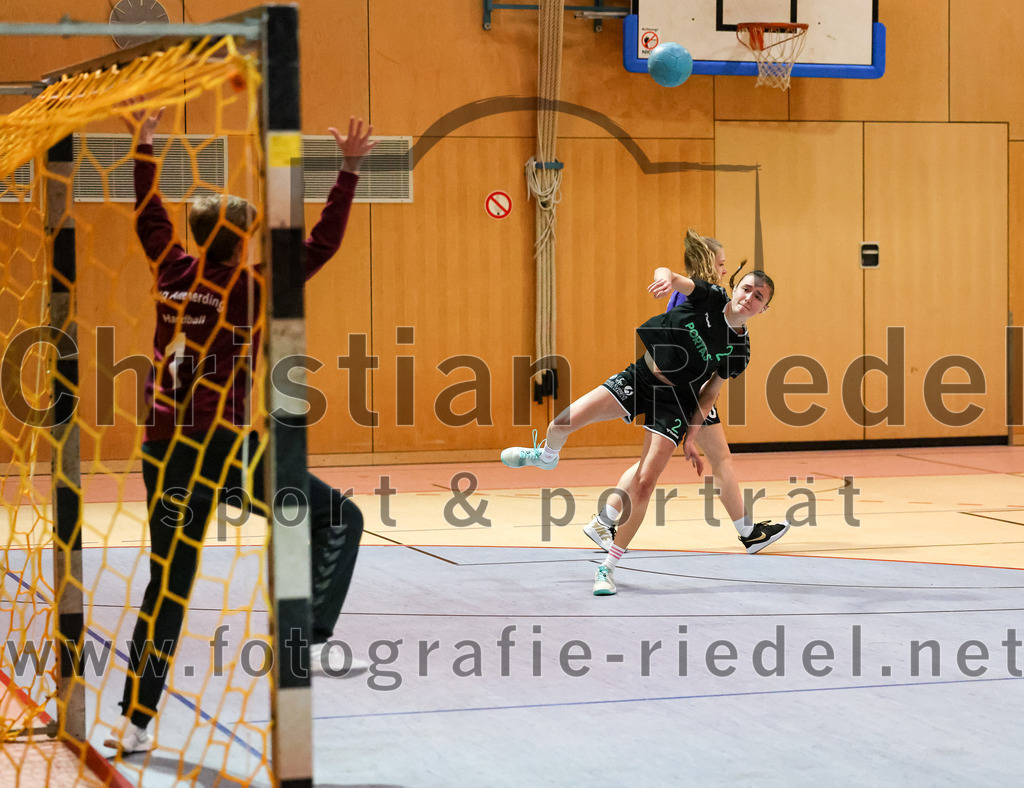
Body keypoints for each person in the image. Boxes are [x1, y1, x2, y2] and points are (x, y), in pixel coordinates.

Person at [104, 105, 376, 753]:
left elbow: (149, 217)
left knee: (167, 585)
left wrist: (144, 144)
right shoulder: (251, 286)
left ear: (201, 238)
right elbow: (321, 245)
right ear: (243, 241)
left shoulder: (172, 271)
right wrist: (348, 170)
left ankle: (135, 722)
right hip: (224, 449)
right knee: (338, 518)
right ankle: (304, 644)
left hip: (162, 450)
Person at [501, 250, 789, 596]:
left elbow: (710, 394)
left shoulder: (739, 351)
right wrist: (665, 277)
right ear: (735, 288)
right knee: (563, 421)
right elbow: (671, 272)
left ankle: (608, 567)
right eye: (746, 289)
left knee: (644, 482)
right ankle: (546, 456)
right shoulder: (710, 299)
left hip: (676, 402)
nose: (749, 298)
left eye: (759, 297)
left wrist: (690, 438)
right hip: (639, 379)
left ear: (764, 309)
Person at [582, 231, 753, 556]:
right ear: (707, 263)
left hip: (682, 388)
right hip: (681, 391)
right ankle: (749, 532)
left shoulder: (702, 298)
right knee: (720, 459)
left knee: (660, 464)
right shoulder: (702, 298)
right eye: (721, 263)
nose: (724, 270)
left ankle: (604, 519)